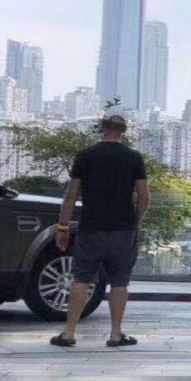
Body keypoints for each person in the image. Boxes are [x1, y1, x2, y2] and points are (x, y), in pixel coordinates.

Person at [50, 105, 150, 348]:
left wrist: (63, 227)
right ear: (123, 131)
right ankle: (116, 335)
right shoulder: (134, 158)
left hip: (90, 229)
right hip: (123, 231)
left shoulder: (85, 156)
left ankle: (69, 333)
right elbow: (144, 196)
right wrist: (134, 221)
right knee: (120, 282)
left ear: (103, 128)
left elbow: (70, 195)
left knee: (81, 279)